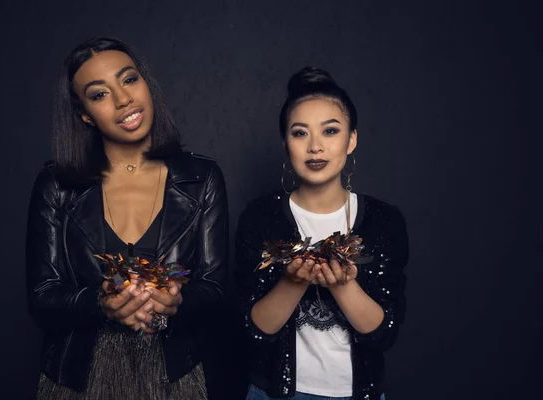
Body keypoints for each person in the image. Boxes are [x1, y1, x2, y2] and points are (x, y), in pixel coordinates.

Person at [25, 37, 228, 400]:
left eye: (129, 80)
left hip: (175, 375)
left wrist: (176, 303)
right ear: (84, 113)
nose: (123, 100)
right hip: (76, 377)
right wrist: (100, 305)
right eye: (99, 94)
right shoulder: (56, 185)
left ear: (146, 83)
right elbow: (43, 298)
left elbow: (214, 288)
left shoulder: (202, 179)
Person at [235, 67, 409, 400]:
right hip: (274, 393)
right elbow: (252, 331)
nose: (315, 146)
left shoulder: (383, 222)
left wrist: (343, 283)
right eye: (300, 133)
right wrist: (293, 282)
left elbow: (384, 334)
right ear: (286, 145)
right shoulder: (261, 218)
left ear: (351, 139)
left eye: (330, 131)